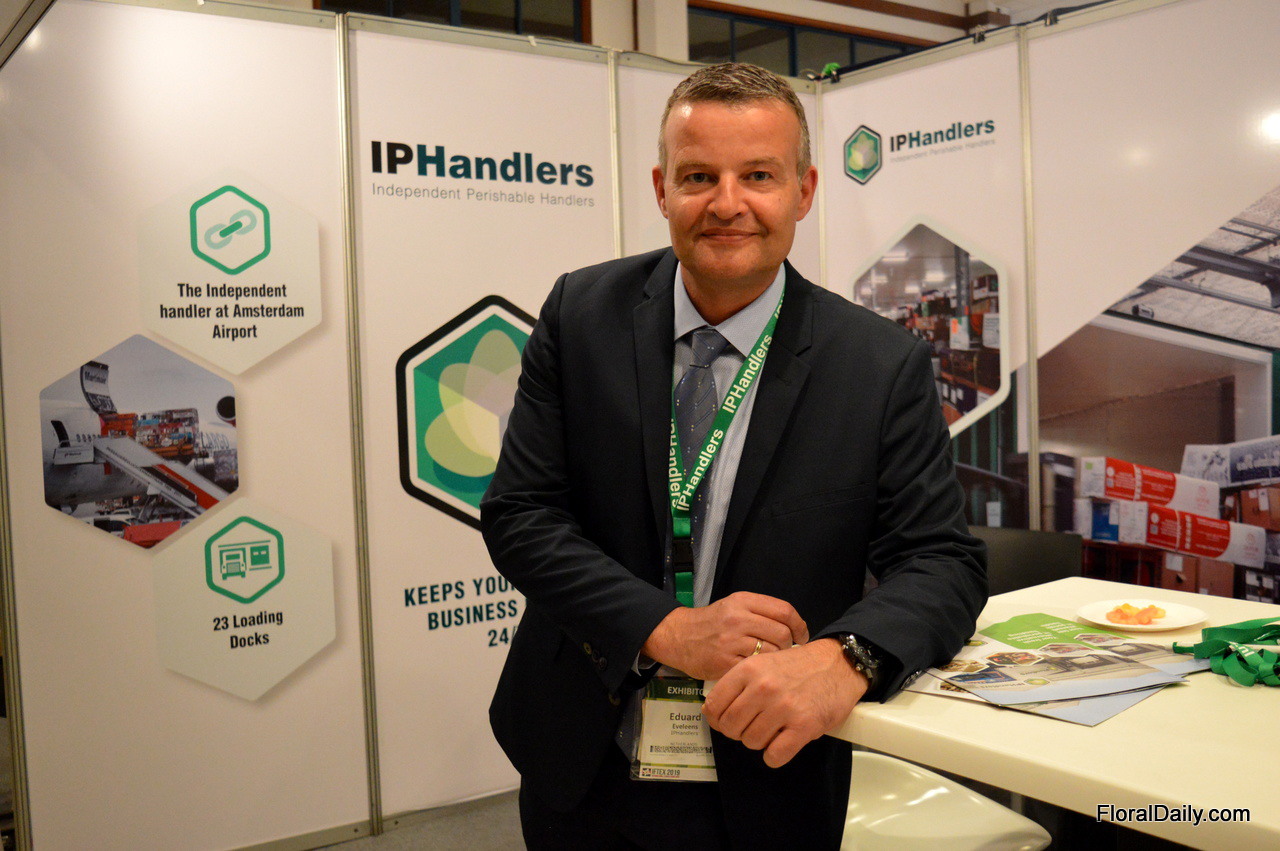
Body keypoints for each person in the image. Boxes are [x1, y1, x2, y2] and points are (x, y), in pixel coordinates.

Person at [480, 62, 986, 849]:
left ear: (803, 190)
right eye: (698, 176)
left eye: (758, 175)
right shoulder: (581, 315)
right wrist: (666, 627)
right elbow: (521, 513)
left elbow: (942, 560)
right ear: (662, 189)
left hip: (771, 772)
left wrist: (847, 657)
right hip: (583, 756)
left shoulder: (878, 365)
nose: (726, 203)